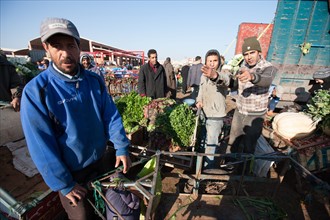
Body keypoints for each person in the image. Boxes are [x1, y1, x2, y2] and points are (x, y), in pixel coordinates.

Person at [20, 17, 132, 219]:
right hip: (71, 174)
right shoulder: (37, 91)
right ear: (46, 49)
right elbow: (40, 145)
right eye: (57, 46)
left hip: (101, 163)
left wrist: (121, 146)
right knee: (82, 216)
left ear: (79, 48)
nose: (65, 53)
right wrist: (64, 184)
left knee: (112, 209)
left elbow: (111, 115)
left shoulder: (93, 80)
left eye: (70, 45)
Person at [226, 37, 277, 159]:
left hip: (255, 115)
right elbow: (233, 85)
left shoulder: (268, 68)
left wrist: (252, 77)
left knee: (249, 146)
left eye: (252, 53)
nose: (249, 57)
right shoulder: (242, 67)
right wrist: (219, 78)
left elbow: (266, 80)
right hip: (240, 112)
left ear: (259, 52)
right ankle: (228, 166)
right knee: (232, 142)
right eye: (246, 54)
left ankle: (245, 172)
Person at [196, 50, 230, 169]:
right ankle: (199, 165)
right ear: (206, 62)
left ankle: (207, 170)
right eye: (209, 61)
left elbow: (225, 81)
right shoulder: (203, 75)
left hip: (215, 115)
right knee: (202, 141)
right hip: (204, 112)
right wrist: (199, 100)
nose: (211, 63)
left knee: (211, 145)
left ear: (219, 62)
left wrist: (214, 76)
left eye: (214, 61)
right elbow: (200, 90)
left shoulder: (223, 73)